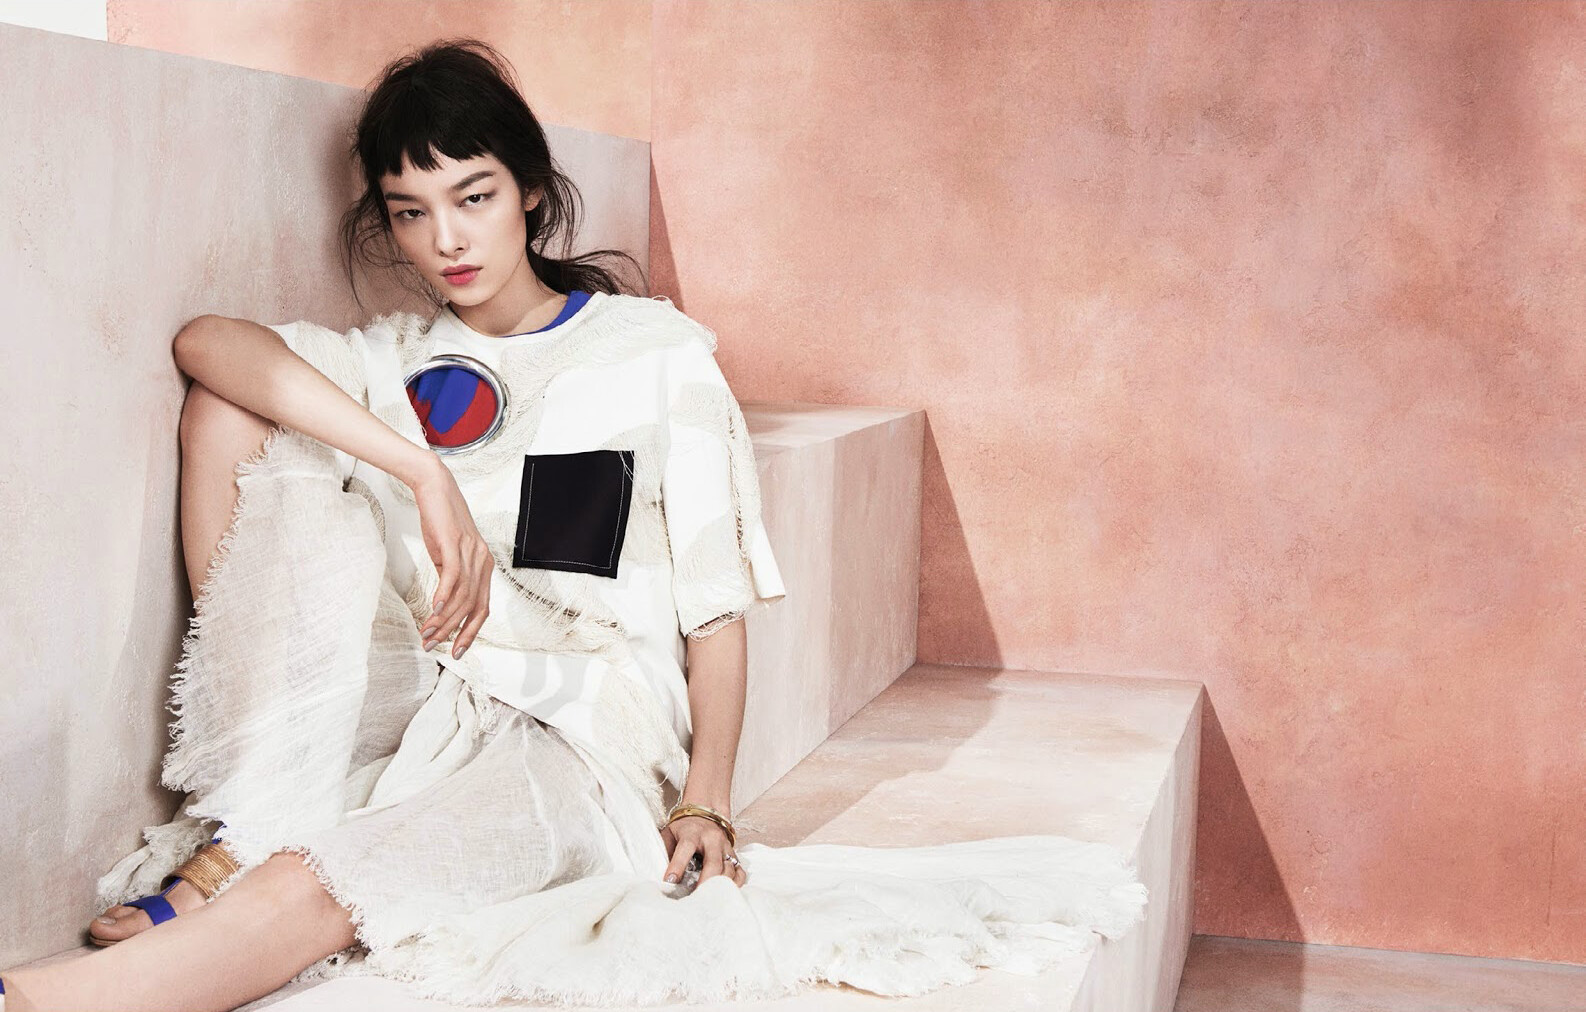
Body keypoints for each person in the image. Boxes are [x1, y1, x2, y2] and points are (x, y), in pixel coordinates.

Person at [0, 38, 1145, 1012]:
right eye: (411, 212)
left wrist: (704, 795)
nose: (447, 239)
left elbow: (713, 613)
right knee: (233, 412)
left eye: (475, 196)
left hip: (572, 727)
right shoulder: (402, 357)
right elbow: (207, 345)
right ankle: (248, 802)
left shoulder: (653, 356)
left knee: (329, 878)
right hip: (418, 686)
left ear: (532, 194)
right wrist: (418, 466)